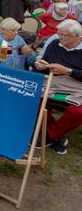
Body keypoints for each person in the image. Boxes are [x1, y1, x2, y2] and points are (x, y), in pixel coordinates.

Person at [35, 19, 82, 155]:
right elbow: (44, 64)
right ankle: (58, 137)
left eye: (64, 35)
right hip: (53, 82)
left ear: (77, 36)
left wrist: (67, 71)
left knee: (77, 112)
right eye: (59, 33)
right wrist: (40, 65)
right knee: (33, 99)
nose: (59, 37)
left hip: (77, 85)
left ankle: (50, 136)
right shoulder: (55, 44)